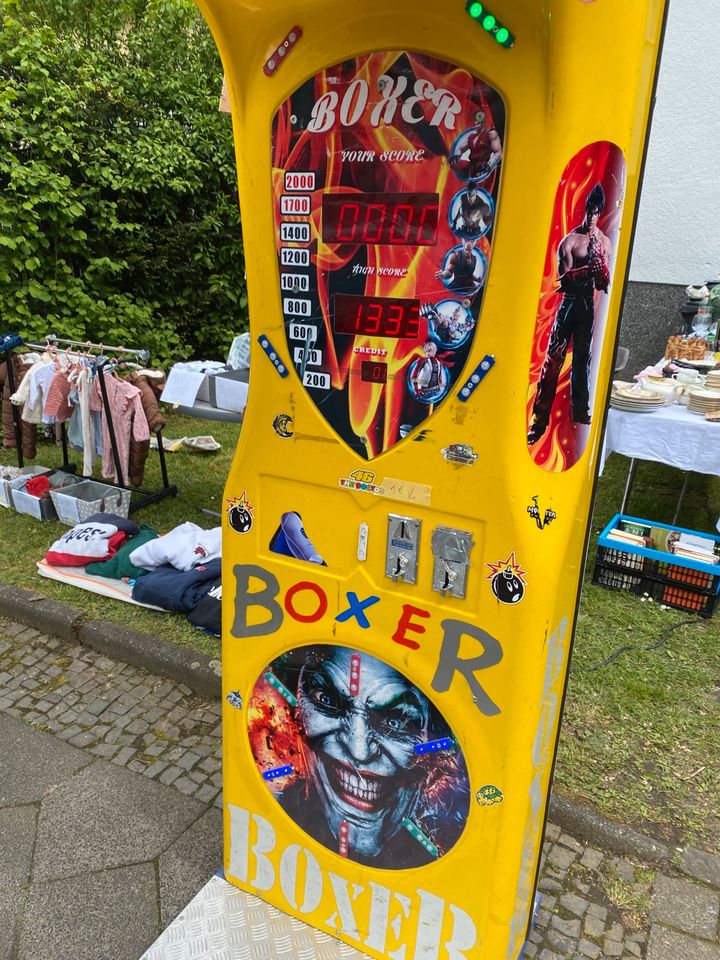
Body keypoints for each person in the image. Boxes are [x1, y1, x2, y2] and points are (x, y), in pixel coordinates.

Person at [261, 646, 469, 868]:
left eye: (395, 722)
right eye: (327, 700)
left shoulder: (443, 860)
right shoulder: (268, 813)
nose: (359, 752)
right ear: (297, 708)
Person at [527, 183, 612, 444]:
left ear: (600, 213)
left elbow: (604, 283)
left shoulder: (605, 242)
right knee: (553, 361)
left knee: (583, 362)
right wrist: (590, 270)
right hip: (569, 304)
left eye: (596, 212)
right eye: (589, 211)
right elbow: (562, 280)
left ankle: (581, 415)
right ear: (585, 210)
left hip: (588, 305)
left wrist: (602, 274)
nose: (591, 216)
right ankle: (539, 422)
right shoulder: (571, 241)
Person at [449, 110, 503, 181]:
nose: (475, 125)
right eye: (475, 124)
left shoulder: (491, 134)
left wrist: (489, 164)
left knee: (480, 173)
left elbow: (498, 152)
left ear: (483, 124)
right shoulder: (471, 137)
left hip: (482, 165)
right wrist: (456, 157)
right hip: (471, 165)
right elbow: (460, 149)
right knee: (454, 163)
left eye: (478, 124)